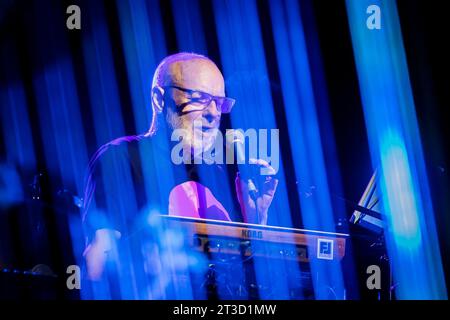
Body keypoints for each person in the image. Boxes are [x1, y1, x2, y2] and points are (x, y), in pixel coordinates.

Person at [82, 52, 278, 281]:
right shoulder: (121, 159)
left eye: (219, 103)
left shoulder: (223, 175)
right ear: (159, 98)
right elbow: (101, 261)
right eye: (199, 98)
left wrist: (256, 220)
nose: (214, 113)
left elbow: (250, 274)